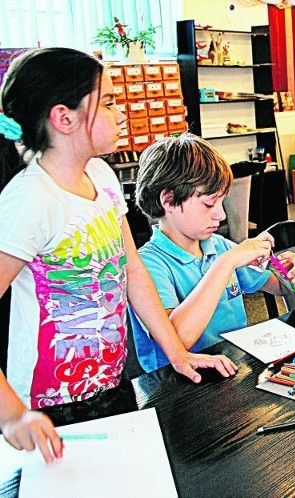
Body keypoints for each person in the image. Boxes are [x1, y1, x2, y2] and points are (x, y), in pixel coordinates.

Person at [0, 48, 233, 462]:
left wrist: (177, 354)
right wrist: (12, 415)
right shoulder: (30, 200)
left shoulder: (102, 176)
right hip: (49, 404)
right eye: (107, 102)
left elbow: (132, 270)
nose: (121, 112)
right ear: (64, 118)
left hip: (112, 382)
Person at [130, 133, 295, 372]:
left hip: (233, 369)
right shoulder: (148, 265)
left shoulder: (218, 245)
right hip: (180, 386)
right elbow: (178, 341)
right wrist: (225, 265)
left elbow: (278, 286)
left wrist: (294, 269)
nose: (221, 215)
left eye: (221, 203)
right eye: (208, 204)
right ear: (169, 200)